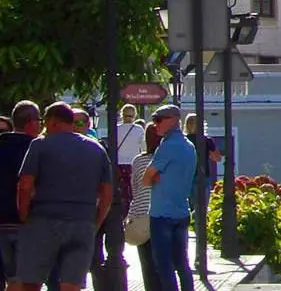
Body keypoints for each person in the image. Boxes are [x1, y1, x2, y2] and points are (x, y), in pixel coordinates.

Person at [13, 101, 113, 291]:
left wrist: (24, 215)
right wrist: (96, 222)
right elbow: (107, 192)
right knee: (71, 284)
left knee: (31, 282)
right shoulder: (96, 149)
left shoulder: (40, 145)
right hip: (82, 221)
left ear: (52, 121)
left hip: (43, 220)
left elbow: (25, 185)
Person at [142, 106, 194, 291]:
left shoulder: (167, 146)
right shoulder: (189, 146)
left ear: (173, 120)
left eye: (158, 120)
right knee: (182, 263)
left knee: (164, 265)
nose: (155, 124)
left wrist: (157, 177)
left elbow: (146, 179)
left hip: (162, 214)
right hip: (182, 211)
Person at [0, 101, 42, 287]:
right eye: (39, 120)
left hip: (2, 222)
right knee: (26, 280)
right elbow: (28, 186)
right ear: (31, 122)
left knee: (12, 279)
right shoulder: (36, 148)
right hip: (27, 222)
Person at [126, 126, 162, 291]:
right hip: (162, 213)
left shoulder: (138, 161)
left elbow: (134, 188)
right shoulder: (167, 160)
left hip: (141, 214)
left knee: (147, 263)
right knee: (165, 262)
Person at [181, 115, 219, 236]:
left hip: (187, 176)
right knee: (202, 208)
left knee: (187, 207)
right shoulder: (207, 140)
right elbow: (217, 157)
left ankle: (187, 231)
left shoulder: (184, 140)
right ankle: (200, 233)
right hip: (203, 175)